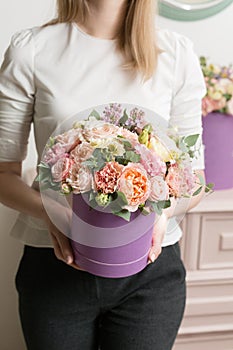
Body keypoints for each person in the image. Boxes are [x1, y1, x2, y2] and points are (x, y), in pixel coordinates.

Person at [0, 0, 207, 349]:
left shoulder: (175, 53)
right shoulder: (32, 51)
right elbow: (3, 173)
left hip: (150, 275)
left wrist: (160, 215)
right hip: (55, 267)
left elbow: (194, 176)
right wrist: (56, 214)